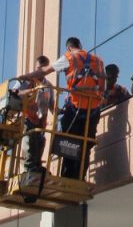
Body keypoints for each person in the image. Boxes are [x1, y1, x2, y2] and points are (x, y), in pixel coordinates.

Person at [33, 37, 105, 179]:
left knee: (68, 143)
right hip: (93, 111)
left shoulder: (70, 57)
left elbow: (46, 71)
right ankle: (79, 178)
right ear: (80, 45)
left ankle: (67, 176)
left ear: (68, 48)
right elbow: (103, 88)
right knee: (86, 145)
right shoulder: (98, 61)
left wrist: (24, 76)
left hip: (76, 110)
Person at [17, 55, 55, 175]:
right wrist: (29, 91)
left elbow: (51, 104)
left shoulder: (48, 85)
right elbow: (15, 93)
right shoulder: (27, 81)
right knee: (29, 142)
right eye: (38, 68)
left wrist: (58, 112)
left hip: (40, 121)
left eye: (42, 69)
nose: (40, 72)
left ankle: (37, 167)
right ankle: (30, 168)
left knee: (40, 143)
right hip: (27, 118)